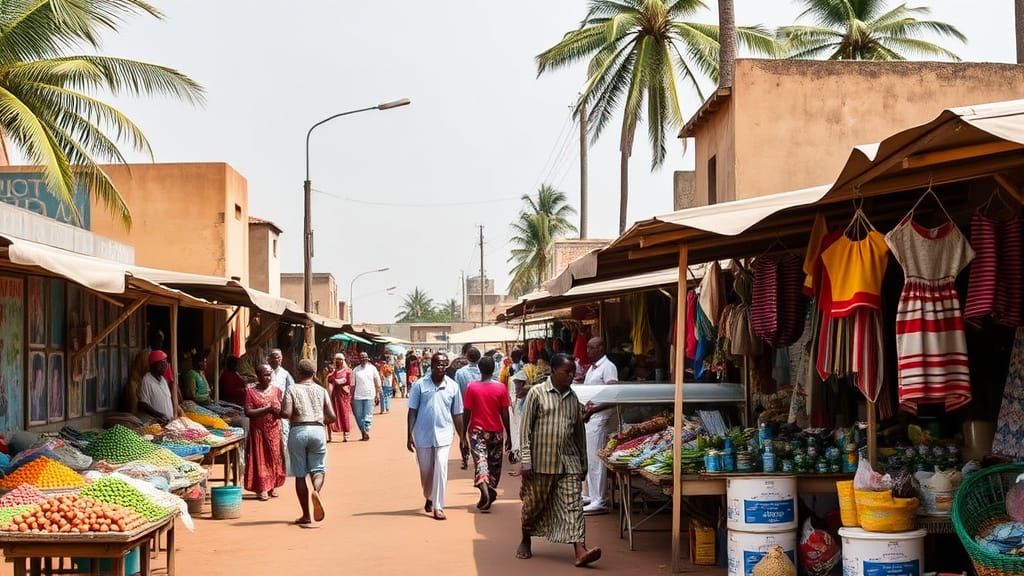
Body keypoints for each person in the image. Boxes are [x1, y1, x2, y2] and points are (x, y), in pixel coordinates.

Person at [517, 353, 601, 567]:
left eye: (573, 372)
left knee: (573, 505)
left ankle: (580, 550)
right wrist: (526, 460)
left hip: (569, 462)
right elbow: (525, 428)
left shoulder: (573, 399)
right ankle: (526, 538)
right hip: (541, 463)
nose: (572, 376)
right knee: (533, 506)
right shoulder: (536, 393)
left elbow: (578, 434)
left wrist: (583, 463)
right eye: (567, 372)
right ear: (554, 371)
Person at [407, 352, 465, 521]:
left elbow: (458, 414)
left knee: (441, 466)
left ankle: (438, 506)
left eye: (444, 364)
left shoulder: (453, 386)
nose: (441, 367)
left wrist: (462, 437)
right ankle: (429, 495)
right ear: (431, 365)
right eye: (438, 364)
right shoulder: (419, 385)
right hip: (422, 434)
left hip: (444, 433)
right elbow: (412, 411)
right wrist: (409, 435)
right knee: (426, 471)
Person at [281, 359, 336, 525]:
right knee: (318, 469)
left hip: (297, 430)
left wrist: (279, 410)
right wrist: (318, 422)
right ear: (314, 373)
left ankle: (306, 515)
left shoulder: (292, 389)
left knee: (300, 474)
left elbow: (286, 413)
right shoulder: (322, 390)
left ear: (298, 372)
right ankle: (316, 491)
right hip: (318, 430)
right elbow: (332, 416)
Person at [462, 356, 511, 512]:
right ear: (494, 369)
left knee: (481, 461)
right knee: (494, 464)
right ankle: (489, 489)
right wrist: (509, 433)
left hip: (477, 431)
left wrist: (463, 433)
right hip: (496, 431)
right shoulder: (501, 388)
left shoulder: (472, 387)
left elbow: (467, 412)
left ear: (479, 369)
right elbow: (505, 413)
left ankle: (485, 490)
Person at [579, 337, 620, 515]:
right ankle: (591, 495)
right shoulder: (593, 368)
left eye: (591, 348)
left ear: (601, 348)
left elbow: (613, 394)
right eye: (587, 348)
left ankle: (600, 500)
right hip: (590, 418)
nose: (588, 351)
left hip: (599, 418)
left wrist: (594, 409)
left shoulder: (608, 367)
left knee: (597, 461)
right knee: (589, 458)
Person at [244, 364, 285, 500]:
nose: (268, 377)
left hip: (273, 431)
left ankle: (273, 485)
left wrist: (278, 411)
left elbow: (282, 411)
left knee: (274, 458)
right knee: (260, 459)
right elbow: (248, 412)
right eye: (265, 374)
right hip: (258, 432)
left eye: (270, 374)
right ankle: (262, 488)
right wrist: (267, 409)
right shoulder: (250, 392)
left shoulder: (277, 391)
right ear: (258, 376)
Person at [129, 329, 177, 413]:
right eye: (158, 341)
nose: (160, 344)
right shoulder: (145, 355)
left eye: (161, 341)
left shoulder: (162, 379)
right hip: (139, 384)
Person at [454, 346, 482, 469]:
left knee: (462, 434)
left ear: (467, 357)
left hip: (464, 408)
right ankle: (480, 459)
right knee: (480, 435)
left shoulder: (460, 373)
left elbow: (457, 391)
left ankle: (464, 459)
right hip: (481, 409)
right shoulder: (483, 370)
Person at [268, 349, 295, 472]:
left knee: (284, 437)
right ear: (269, 359)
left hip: (282, 411)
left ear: (281, 358)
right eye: (273, 357)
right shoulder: (265, 372)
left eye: (278, 357)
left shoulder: (285, 374)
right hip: (266, 411)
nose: (276, 360)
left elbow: (292, 392)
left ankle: (282, 466)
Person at [137, 350, 179, 424]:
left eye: (165, 363)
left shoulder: (163, 380)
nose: (165, 366)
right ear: (152, 365)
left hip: (168, 423)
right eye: (162, 363)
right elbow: (142, 404)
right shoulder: (146, 380)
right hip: (154, 425)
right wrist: (157, 414)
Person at [351, 352, 382, 441]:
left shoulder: (372, 369)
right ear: (359, 359)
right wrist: (351, 397)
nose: (363, 359)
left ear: (367, 358)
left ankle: (366, 431)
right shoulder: (355, 370)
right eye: (361, 357)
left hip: (369, 395)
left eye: (364, 357)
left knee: (368, 415)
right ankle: (363, 431)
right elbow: (353, 385)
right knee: (358, 416)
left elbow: (377, 382)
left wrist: (377, 395)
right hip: (358, 396)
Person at [326, 354, 354, 442]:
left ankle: (346, 434)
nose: (338, 362)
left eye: (340, 360)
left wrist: (339, 381)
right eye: (337, 360)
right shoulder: (332, 373)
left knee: (344, 414)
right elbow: (329, 381)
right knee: (331, 414)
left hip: (343, 396)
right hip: (334, 396)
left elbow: (348, 381)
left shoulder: (348, 371)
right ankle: (329, 436)